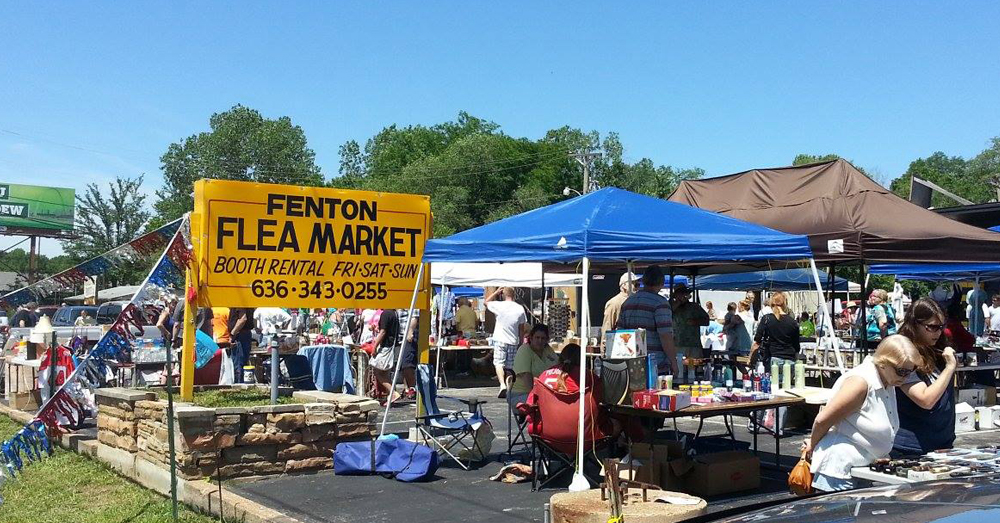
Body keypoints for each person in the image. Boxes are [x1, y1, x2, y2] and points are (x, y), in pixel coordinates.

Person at [804, 335, 920, 492]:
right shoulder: (860, 383)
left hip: (860, 469)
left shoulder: (888, 381)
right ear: (884, 362)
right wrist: (812, 444)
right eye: (901, 371)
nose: (906, 377)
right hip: (840, 472)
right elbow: (823, 420)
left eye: (910, 371)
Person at [892, 298, 958, 455]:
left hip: (942, 442)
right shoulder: (904, 355)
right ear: (915, 324)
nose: (938, 332)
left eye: (941, 327)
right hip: (911, 446)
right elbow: (925, 400)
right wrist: (949, 367)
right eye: (932, 327)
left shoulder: (936, 350)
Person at [616, 265, 678, 375]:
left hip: (630, 363)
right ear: (662, 282)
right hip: (654, 364)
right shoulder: (660, 303)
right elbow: (665, 336)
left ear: (644, 280)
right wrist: (674, 361)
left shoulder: (627, 303)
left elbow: (620, 332)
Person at [485, 287, 528, 399]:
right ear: (514, 295)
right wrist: (521, 341)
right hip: (513, 340)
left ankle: (502, 384)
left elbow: (486, 302)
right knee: (510, 366)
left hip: (500, 339)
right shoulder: (520, 308)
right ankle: (509, 386)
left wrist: (495, 292)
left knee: (499, 363)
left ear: (503, 294)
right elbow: (522, 328)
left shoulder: (499, 305)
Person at [750, 292, 799, 380]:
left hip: (773, 358)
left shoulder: (767, 319)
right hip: (790, 359)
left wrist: (751, 357)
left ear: (771, 304)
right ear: (784, 303)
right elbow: (796, 345)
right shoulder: (793, 322)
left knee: (773, 388)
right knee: (787, 387)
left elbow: (757, 339)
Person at [509, 324, 559, 406]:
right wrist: (537, 396)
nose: (540, 341)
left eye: (543, 338)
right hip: (522, 394)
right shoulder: (524, 350)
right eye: (537, 337)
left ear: (547, 340)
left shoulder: (548, 350)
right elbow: (526, 377)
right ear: (531, 338)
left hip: (546, 393)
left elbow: (557, 369)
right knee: (546, 404)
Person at [670, 283, 710, 358]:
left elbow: (707, 320)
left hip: (694, 345)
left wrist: (696, 321)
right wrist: (679, 302)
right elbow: (668, 313)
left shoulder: (694, 306)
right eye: (680, 293)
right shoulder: (671, 306)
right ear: (675, 295)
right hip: (677, 344)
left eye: (684, 293)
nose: (683, 295)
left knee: (695, 367)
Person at [370, 308, 401, 402]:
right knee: (385, 373)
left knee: (377, 371)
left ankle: (392, 392)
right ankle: (391, 394)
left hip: (386, 346)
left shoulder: (386, 313)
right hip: (392, 345)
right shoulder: (394, 313)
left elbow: (383, 332)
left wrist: (374, 347)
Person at [601, 272, 638, 343]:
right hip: (618, 345)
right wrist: (605, 349)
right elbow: (607, 326)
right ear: (624, 285)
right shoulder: (614, 303)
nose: (637, 287)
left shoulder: (635, 301)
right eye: (634, 284)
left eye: (638, 284)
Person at [228, 307, 255, 383]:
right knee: (242, 362)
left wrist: (233, 333)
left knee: (238, 363)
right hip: (244, 334)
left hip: (240, 335)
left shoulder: (239, 302)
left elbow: (243, 318)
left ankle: (238, 385)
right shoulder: (248, 303)